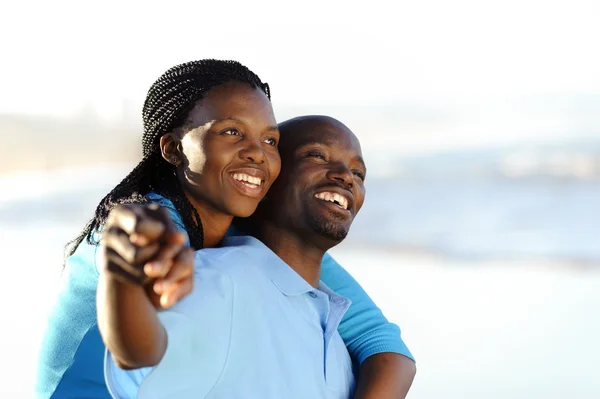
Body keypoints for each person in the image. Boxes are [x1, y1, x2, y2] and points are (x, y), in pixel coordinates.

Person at [34, 60, 415, 399]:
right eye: (232, 132)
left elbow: (385, 346)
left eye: (270, 140)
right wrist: (126, 252)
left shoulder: (250, 235)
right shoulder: (149, 224)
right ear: (173, 149)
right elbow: (138, 352)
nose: (256, 152)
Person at [100, 115, 368, 398]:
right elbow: (140, 358)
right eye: (316, 155)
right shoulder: (221, 281)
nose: (346, 176)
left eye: (359, 173)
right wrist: (121, 276)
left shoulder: (333, 328)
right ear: (264, 180)